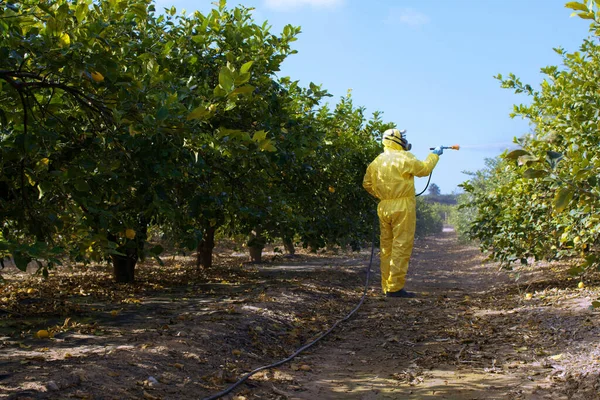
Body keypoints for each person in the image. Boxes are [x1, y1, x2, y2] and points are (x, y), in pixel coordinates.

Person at [363, 128, 443, 298]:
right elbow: (424, 170)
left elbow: (367, 184)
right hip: (402, 206)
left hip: (384, 206)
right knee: (401, 245)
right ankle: (395, 288)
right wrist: (435, 155)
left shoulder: (376, 162)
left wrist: (383, 195)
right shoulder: (405, 157)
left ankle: (386, 285)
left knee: (386, 247)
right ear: (398, 140)